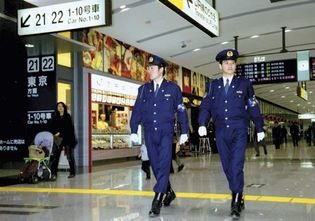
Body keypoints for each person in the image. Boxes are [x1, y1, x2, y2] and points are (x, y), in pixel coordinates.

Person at [198, 49, 265, 218]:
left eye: (233, 63)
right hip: (220, 130)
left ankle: (235, 199)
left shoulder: (244, 83)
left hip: (239, 129)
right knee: (227, 166)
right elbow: (206, 106)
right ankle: (239, 192)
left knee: (236, 164)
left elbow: (252, 105)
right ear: (220, 66)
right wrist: (202, 123)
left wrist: (260, 126)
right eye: (226, 63)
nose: (230, 65)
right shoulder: (213, 85)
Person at [130, 54, 189, 217]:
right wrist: (133, 130)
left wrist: (185, 130)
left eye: (152, 68)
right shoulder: (143, 90)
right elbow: (137, 111)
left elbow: (181, 111)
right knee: (155, 165)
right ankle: (169, 192)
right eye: (148, 68)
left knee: (163, 164)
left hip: (165, 132)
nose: (149, 70)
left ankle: (158, 198)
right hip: (149, 132)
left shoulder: (173, 88)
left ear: (162, 70)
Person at [49, 102, 77, 180]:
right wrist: (55, 133)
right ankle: (53, 173)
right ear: (57, 108)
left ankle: (72, 172)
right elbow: (51, 127)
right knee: (55, 157)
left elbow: (69, 128)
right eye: (59, 106)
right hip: (58, 139)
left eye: (62, 106)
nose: (60, 108)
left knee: (69, 156)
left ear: (64, 108)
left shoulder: (67, 117)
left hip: (67, 139)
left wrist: (60, 132)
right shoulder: (55, 117)